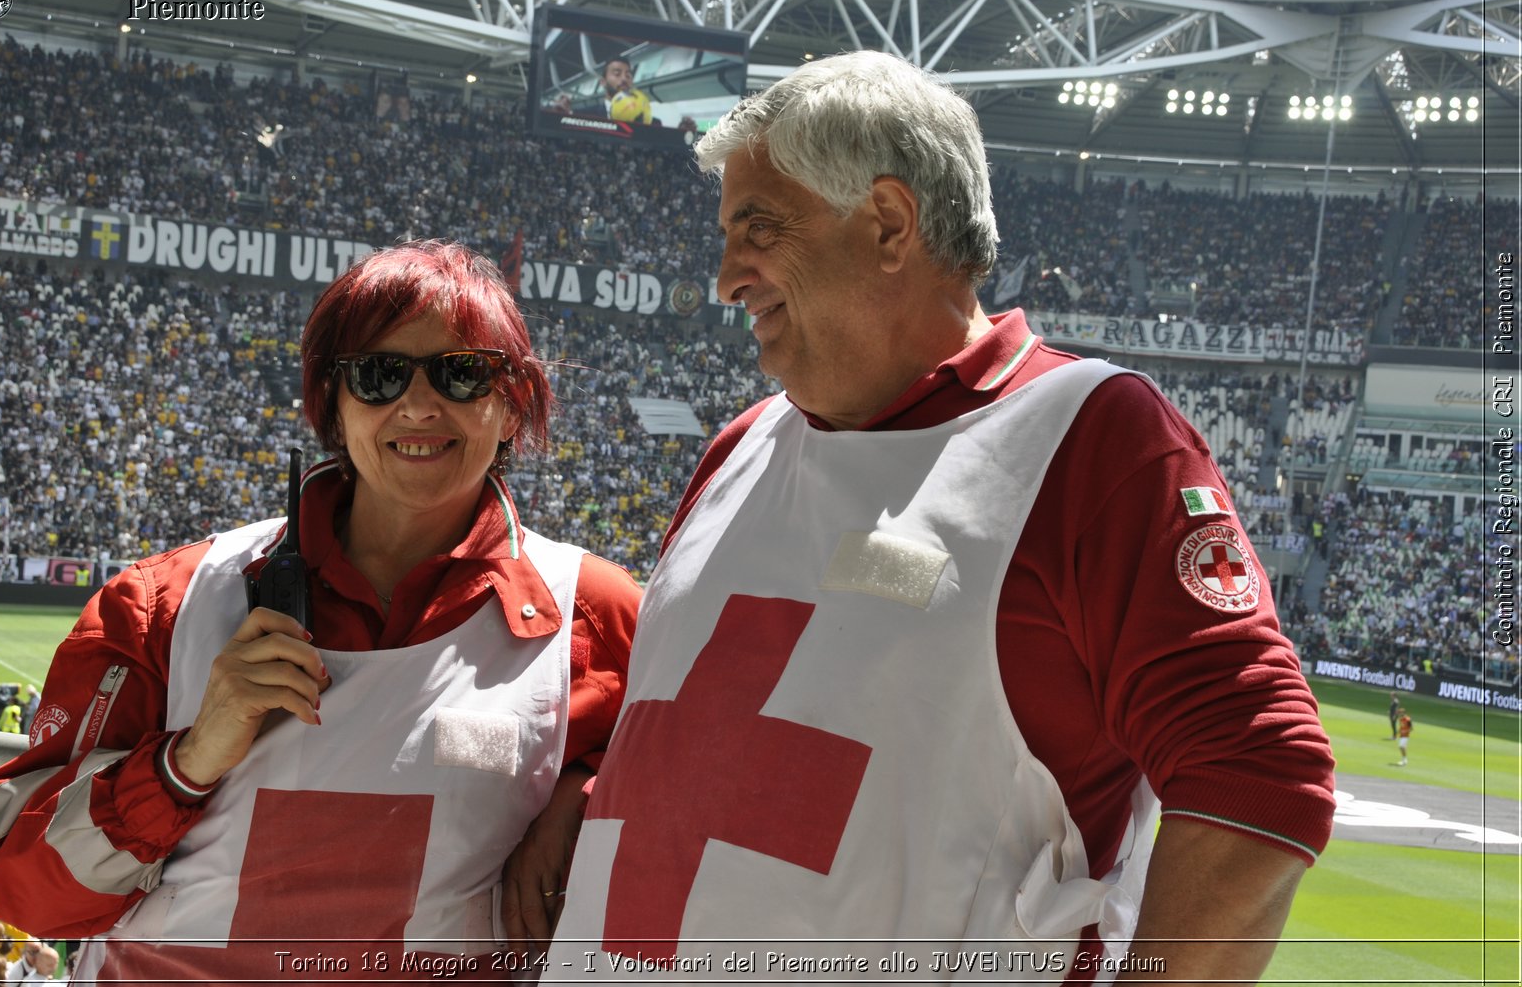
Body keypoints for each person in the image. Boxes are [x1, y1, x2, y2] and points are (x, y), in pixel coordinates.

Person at [537, 52, 1335, 982]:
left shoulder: (1090, 438)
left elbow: (1259, 779)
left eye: (756, 228)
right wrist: (580, 794)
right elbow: (702, 744)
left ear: (887, 223)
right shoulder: (739, 446)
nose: (724, 279)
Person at [0, 240, 641, 980]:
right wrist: (183, 764)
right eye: (380, 373)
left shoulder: (600, 615)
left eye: (461, 372)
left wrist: (588, 791)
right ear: (332, 399)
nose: (419, 405)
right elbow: (15, 887)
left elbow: (704, 778)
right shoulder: (164, 603)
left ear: (513, 401)